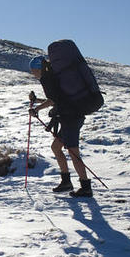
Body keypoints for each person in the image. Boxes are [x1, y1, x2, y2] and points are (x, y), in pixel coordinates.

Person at [29, 55, 93, 197]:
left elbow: (52, 100)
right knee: (56, 147)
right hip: (71, 117)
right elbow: (57, 99)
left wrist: (36, 110)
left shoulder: (47, 79)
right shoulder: (53, 77)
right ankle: (66, 182)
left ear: (38, 69)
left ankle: (86, 187)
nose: (32, 73)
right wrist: (37, 101)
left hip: (71, 119)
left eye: (33, 70)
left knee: (74, 153)